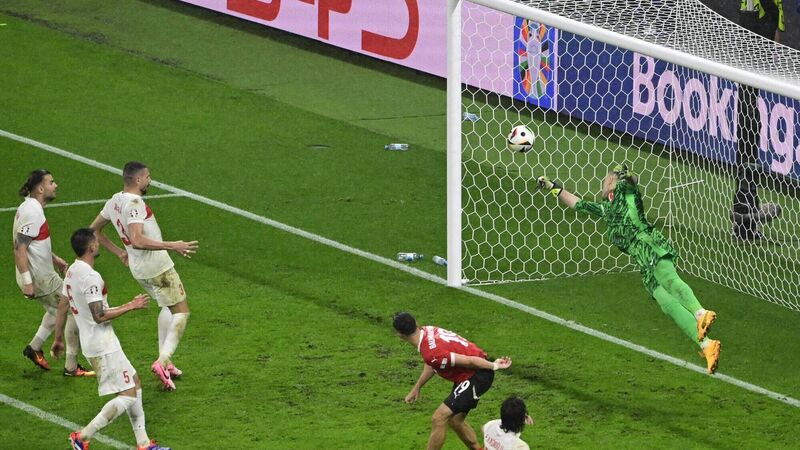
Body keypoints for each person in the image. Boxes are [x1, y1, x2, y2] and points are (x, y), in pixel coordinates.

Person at [537, 165, 721, 373]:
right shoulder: (606, 208)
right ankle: (707, 345)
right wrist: (554, 187)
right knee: (667, 304)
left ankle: (700, 312)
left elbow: (634, 181)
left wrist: (626, 175)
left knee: (669, 279)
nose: (603, 182)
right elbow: (578, 204)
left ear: (613, 181)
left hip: (648, 243)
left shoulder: (625, 191)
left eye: (607, 178)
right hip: (640, 259)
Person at [51, 228, 169, 450]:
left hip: (96, 342)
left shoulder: (72, 271)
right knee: (128, 395)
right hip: (102, 345)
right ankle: (82, 437)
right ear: (91, 247)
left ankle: (143, 443)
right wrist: (131, 305)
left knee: (134, 381)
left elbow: (63, 306)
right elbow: (99, 315)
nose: (98, 244)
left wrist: (58, 338)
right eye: (96, 241)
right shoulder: (90, 277)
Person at [89, 161, 198, 391]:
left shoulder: (114, 201)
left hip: (138, 269)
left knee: (166, 307)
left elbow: (93, 230)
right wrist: (173, 245)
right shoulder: (135, 203)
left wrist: (119, 252)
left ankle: (166, 363)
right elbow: (137, 240)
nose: (150, 180)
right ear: (138, 179)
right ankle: (162, 361)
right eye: (148, 177)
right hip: (157, 268)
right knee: (182, 312)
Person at [13, 169, 93, 377]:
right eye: (51, 182)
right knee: (73, 307)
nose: (55, 185)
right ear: (40, 189)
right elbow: (19, 249)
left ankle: (34, 347)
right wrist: (28, 282)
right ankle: (71, 366)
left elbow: (33, 244)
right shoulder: (33, 212)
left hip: (40, 274)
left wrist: (55, 259)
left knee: (55, 308)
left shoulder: (28, 207)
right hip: (40, 278)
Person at [393, 312, 512, 450]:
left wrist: (494, 365)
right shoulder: (427, 331)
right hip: (469, 373)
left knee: (438, 418)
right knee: (455, 420)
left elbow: (470, 361)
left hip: (477, 374)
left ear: (400, 335)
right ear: (416, 323)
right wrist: (417, 387)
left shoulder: (431, 352)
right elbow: (432, 363)